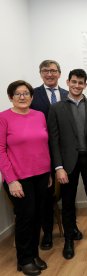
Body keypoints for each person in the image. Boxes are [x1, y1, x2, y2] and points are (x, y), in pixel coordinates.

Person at [48, 69, 87, 260]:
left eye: (81, 83)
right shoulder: (56, 108)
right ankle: (69, 241)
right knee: (68, 203)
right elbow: (53, 140)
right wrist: (58, 167)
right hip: (67, 164)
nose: (77, 85)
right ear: (68, 82)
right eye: (74, 82)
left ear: (85, 85)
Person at [30, 59, 83, 251]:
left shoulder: (67, 94)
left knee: (69, 193)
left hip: (68, 154)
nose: (50, 74)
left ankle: (72, 227)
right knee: (46, 195)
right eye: (45, 71)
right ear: (41, 73)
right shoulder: (32, 95)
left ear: (60, 74)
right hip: (43, 152)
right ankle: (48, 234)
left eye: (53, 71)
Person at [0, 80, 51, 275]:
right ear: (10, 97)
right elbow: (1, 150)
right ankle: (24, 259)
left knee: (38, 215)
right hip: (19, 179)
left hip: (41, 175)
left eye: (26, 93)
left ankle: (34, 254)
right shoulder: (3, 118)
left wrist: (47, 173)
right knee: (25, 217)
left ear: (32, 96)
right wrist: (11, 180)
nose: (22, 97)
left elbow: (43, 146)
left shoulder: (39, 116)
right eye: (18, 94)